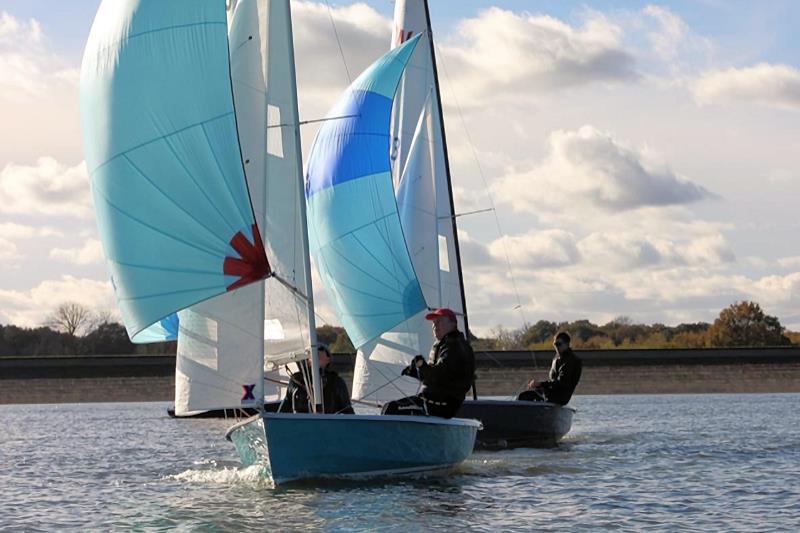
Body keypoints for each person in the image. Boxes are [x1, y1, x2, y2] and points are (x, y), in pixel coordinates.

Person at [381, 308, 475, 418]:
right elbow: (435, 378)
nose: (435, 326)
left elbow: (436, 376)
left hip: (442, 405)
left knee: (391, 409)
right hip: (432, 402)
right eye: (434, 323)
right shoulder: (445, 345)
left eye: (439, 322)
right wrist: (415, 372)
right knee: (389, 407)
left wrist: (421, 364)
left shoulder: (454, 347)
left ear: (453, 324)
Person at [279, 343, 355, 414]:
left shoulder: (337, 382)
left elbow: (348, 411)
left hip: (328, 426)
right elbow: (284, 408)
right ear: (308, 360)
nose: (316, 351)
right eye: (311, 350)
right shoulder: (295, 380)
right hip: (299, 425)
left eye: (321, 349)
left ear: (328, 359)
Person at [518, 331, 582, 405]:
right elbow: (553, 382)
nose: (556, 347)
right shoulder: (557, 358)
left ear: (567, 344)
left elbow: (561, 383)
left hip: (560, 398)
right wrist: (538, 386)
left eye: (559, 344)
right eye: (555, 344)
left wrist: (540, 384)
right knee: (523, 395)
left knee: (526, 396)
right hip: (551, 394)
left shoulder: (571, 361)